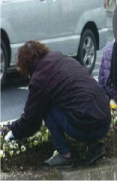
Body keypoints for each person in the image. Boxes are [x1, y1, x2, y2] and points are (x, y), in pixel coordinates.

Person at [4, 40, 111, 168]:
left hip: (87, 127)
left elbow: (31, 119)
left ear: (26, 64)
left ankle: (64, 155)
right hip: (105, 120)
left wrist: (14, 132)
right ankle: (95, 147)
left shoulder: (40, 78)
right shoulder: (59, 57)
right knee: (76, 103)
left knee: (46, 107)